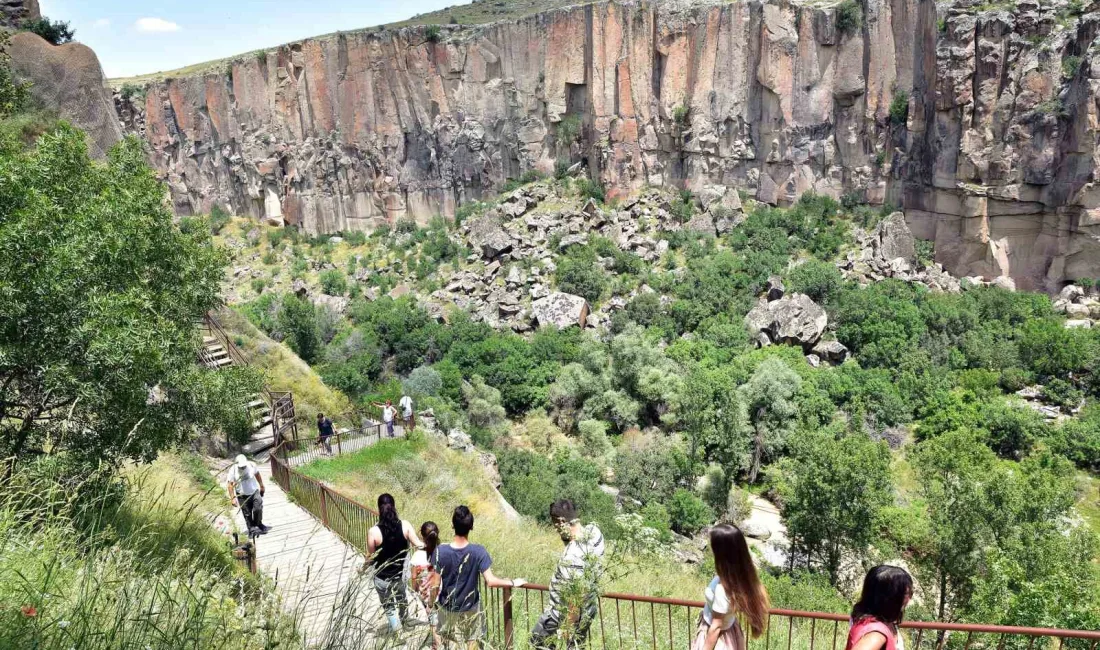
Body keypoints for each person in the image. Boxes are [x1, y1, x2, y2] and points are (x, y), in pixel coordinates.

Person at [433, 505, 526, 650]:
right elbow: (491, 581)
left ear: (452, 525)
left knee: (448, 643)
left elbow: (435, 584)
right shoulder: (478, 551)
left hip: (447, 606)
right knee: (473, 641)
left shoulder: (440, 551)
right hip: (471, 606)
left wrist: (431, 603)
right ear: (471, 527)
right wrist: (513, 582)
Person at [530, 499, 605, 650]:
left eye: (556, 525)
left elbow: (576, 593)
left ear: (562, 521)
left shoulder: (573, 555)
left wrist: (568, 625)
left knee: (538, 641)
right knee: (576, 647)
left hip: (562, 612)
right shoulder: (594, 532)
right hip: (589, 608)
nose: (556, 529)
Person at [692, 524, 769, 650]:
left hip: (718, 639)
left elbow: (716, 626)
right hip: (730, 631)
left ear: (721, 552)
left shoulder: (723, 589)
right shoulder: (740, 578)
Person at [367, 493, 425, 632]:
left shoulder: (373, 532)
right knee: (402, 597)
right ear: (394, 507)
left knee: (388, 605)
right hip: (400, 575)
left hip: (382, 578)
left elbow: (369, 558)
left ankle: (397, 630)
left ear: (379, 509)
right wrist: (436, 546)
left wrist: (361, 570)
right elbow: (419, 544)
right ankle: (405, 621)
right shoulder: (405, 525)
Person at [845, 566, 913, 650]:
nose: (909, 598)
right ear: (890, 598)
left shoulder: (865, 619)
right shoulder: (877, 634)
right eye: (906, 593)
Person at [411, 521, 443, 649]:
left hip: (426, 594)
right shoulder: (442, 552)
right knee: (441, 619)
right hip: (442, 591)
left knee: (433, 622)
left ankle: (437, 645)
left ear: (422, 536)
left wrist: (415, 591)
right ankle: (441, 642)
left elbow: (414, 577)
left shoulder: (417, 555)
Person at [226, 454, 269, 537]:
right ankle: (251, 529)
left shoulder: (252, 465)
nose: (242, 468)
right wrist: (232, 498)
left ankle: (258, 523)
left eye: (243, 466)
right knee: (247, 513)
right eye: (241, 467)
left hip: (254, 492)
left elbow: (257, 474)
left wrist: (261, 485)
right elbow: (230, 485)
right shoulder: (233, 469)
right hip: (241, 494)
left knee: (258, 508)